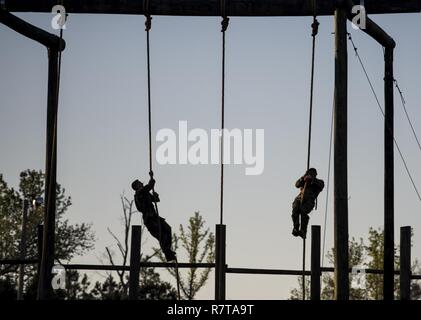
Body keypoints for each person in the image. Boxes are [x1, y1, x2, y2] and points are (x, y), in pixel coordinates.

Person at [132, 173, 176, 261]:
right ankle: (168, 253)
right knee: (161, 235)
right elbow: (150, 185)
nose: (141, 183)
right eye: (139, 183)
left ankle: (168, 251)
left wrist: (156, 195)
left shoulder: (145, 193)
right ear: (137, 186)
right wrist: (151, 177)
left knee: (167, 229)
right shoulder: (140, 193)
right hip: (150, 219)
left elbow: (156, 200)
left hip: (155, 217)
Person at [291, 168, 324, 238]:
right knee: (295, 210)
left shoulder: (318, 182)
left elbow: (321, 185)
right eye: (309, 173)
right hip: (299, 199)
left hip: (309, 201)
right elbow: (297, 184)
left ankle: (303, 231)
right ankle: (296, 228)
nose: (310, 175)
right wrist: (302, 178)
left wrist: (311, 180)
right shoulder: (304, 180)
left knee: (303, 211)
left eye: (312, 174)